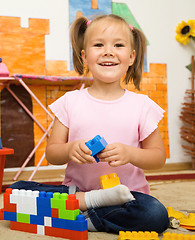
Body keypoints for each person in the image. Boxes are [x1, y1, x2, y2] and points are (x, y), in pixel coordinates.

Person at [10, 14, 169, 234]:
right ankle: (84, 209)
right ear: (84, 56)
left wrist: (130, 154)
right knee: (16, 189)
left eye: (118, 45)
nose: (108, 51)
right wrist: (70, 149)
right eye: (98, 45)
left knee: (155, 215)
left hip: (126, 197)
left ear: (131, 56)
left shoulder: (141, 105)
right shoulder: (70, 102)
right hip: (77, 192)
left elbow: (158, 157)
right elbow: (52, 154)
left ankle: (80, 216)